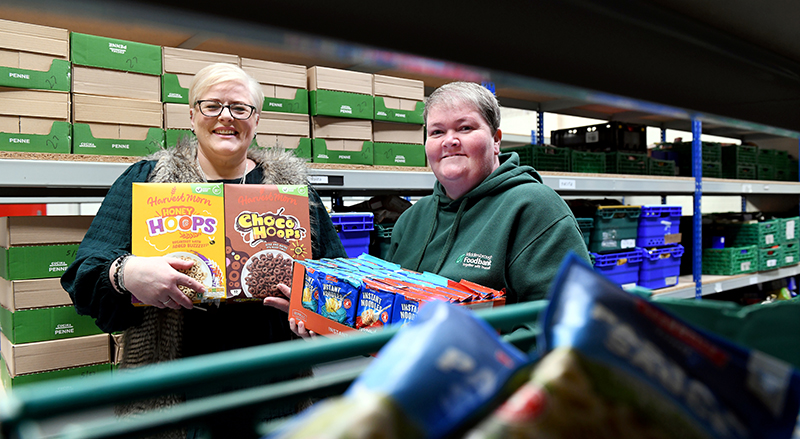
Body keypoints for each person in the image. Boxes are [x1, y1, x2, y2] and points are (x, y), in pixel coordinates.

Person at [61, 63, 346, 373]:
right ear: (192, 115)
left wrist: (315, 312)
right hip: (176, 389)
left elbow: (337, 276)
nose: (226, 116)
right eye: (212, 106)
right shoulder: (147, 180)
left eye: (240, 108)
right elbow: (83, 277)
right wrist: (126, 273)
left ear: (256, 119)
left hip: (272, 384)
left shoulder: (292, 191)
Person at [386, 81, 590, 304]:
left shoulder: (536, 207)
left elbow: (565, 320)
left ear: (496, 140)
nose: (449, 140)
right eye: (437, 132)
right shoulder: (412, 219)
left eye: (465, 128)